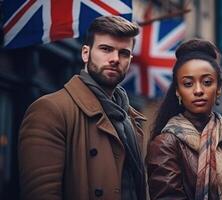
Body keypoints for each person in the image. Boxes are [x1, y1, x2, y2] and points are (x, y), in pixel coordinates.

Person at [19, 15, 147, 200]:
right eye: (106, 49)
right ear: (85, 53)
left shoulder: (131, 120)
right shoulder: (50, 110)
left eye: (124, 53)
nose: (115, 59)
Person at [146, 38, 222, 200]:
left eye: (207, 82)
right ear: (178, 92)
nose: (198, 90)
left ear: (218, 89)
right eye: (188, 83)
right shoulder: (166, 143)